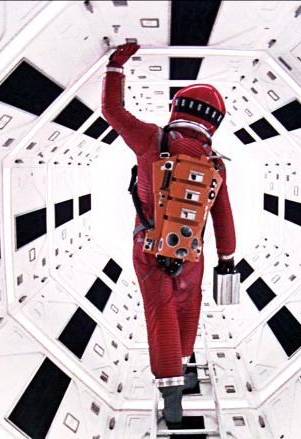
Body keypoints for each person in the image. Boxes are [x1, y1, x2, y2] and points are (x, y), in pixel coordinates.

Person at [101, 43, 236, 427]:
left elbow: (112, 111)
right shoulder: (216, 165)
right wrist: (228, 258)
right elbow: (223, 219)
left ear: (178, 108)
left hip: (148, 246)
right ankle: (185, 364)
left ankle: (171, 392)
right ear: (214, 123)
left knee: (159, 310)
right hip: (193, 252)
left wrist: (115, 66)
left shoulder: (151, 139)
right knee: (188, 305)